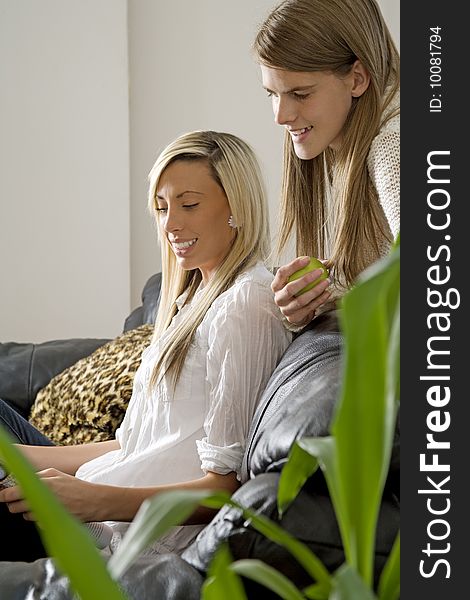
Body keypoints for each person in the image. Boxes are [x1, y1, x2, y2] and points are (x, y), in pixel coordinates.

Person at [0, 130, 292, 562]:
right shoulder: (194, 296)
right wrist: (19, 458)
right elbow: (136, 445)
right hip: (102, 494)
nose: (171, 224)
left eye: (189, 204)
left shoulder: (245, 304)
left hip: (121, 533)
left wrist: (90, 498)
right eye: (161, 208)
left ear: (237, 207)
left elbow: (225, 489)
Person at [253, 0, 400, 328]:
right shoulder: (354, 133)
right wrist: (316, 298)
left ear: (357, 78)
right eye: (272, 94)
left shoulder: (394, 148)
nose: (280, 116)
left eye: (300, 94)